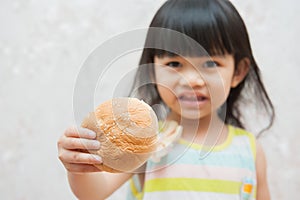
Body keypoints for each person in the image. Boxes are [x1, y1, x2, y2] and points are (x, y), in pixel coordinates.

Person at [57, 0, 275, 199]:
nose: (192, 80)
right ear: (152, 70)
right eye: (174, 64)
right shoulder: (143, 142)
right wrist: (79, 167)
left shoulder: (249, 150)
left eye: (210, 64)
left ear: (238, 71)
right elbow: (93, 193)